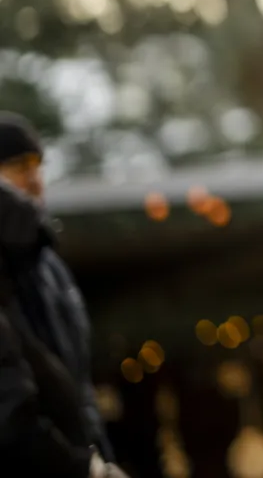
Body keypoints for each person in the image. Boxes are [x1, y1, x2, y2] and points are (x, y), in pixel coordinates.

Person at [0, 121, 121, 478]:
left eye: (38, 167)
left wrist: (97, 457)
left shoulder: (50, 266)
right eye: (19, 167)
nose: (35, 180)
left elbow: (77, 384)